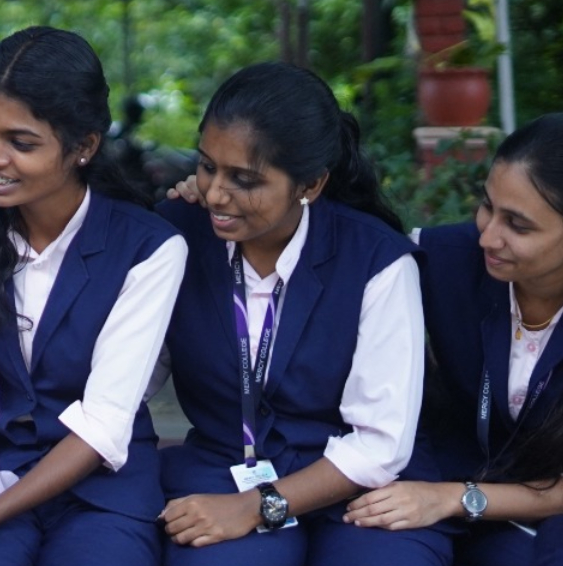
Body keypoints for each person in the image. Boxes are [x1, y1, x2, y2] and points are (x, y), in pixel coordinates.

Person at [0, 27, 187, 566]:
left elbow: (103, 426)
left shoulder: (148, 247)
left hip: (101, 491)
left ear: (84, 147)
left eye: (21, 143)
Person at [155, 62, 431, 565]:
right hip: (221, 469)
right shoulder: (178, 235)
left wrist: (256, 507)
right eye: (207, 166)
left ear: (311, 184)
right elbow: (136, 370)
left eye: (244, 179)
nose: (216, 193)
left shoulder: (376, 261)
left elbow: (380, 444)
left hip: (350, 486)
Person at [343, 113, 563, 566]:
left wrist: (457, 498)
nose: (488, 235)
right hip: (455, 480)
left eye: (518, 225)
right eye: (488, 206)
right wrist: (218, 197)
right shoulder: (441, 256)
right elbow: (343, 239)